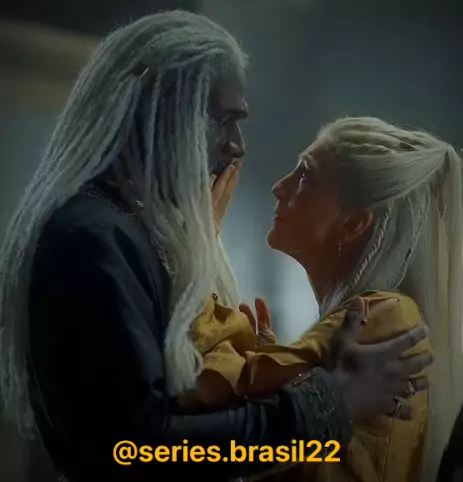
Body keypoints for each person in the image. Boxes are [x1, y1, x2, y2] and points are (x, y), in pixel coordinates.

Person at [0, 11, 433, 482]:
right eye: (225, 120)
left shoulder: (117, 232)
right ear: (163, 112)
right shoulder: (94, 240)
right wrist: (327, 407)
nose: (237, 146)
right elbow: (139, 453)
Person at [181, 117, 463, 482]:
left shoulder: (384, 316)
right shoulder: (376, 315)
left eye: (305, 176)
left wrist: (196, 242)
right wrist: (275, 367)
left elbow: (209, 384)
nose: (279, 188)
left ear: (353, 223)